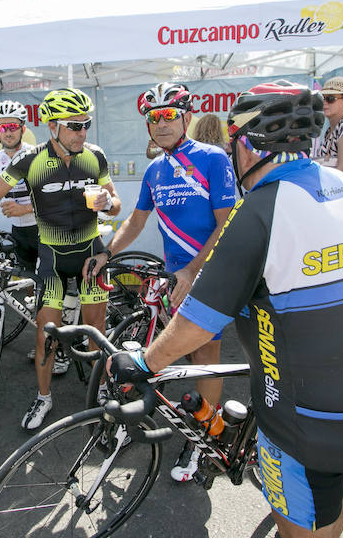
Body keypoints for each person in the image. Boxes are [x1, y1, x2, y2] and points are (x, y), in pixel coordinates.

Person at [109, 80, 343, 538]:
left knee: (299, 525)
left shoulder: (260, 210)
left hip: (301, 411)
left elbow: (198, 321)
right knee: (330, 487)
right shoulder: (339, 183)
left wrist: (143, 361)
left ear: (244, 146)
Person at [91, 82, 235, 482]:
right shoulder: (155, 169)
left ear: (186, 116)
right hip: (175, 276)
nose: (161, 123)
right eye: (154, 118)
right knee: (184, 354)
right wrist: (108, 252)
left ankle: (206, 438)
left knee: (205, 356)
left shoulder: (212, 159)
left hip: (208, 273)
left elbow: (228, 223)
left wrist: (192, 269)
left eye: (169, 115)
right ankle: (198, 421)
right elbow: (137, 220)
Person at [0, 87, 121, 431]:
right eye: (74, 125)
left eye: (86, 124)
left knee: (96, 329)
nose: (82, 132)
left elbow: (116, 202)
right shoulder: (29, 159)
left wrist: (107, 204)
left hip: (90, 256)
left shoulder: (95, 156)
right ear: (53, 127)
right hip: (51, 256)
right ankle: (44, 396)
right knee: (45, 335)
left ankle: (100, 390)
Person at [0, 101, 39, 272]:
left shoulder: (36, 155)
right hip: (18, 229)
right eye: (3, 128)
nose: (8, 132)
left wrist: (24, 209)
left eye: (13, 126)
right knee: (26, 277)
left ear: (23, 129)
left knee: (49, 278)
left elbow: (52, 199)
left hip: (41, 227)